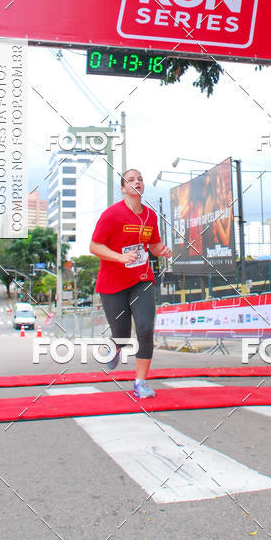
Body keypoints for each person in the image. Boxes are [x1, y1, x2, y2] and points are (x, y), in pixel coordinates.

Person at [90, 168, 172, 399]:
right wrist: (119, 257)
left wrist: (162, 250)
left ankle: (140, 383)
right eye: (131, 180)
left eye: (140, 179)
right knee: (123, 335)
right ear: (123, 188)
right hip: (112, 283)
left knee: (145, 329)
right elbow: (94, 247)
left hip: (141, 280)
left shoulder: (150, 216)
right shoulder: (111, 215)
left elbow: (153, 245)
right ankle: (116, 345)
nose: (137, 182)